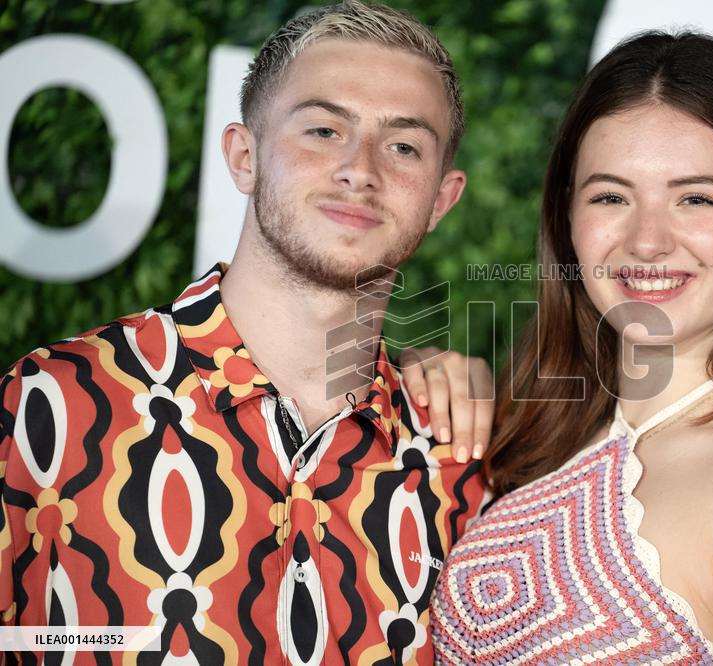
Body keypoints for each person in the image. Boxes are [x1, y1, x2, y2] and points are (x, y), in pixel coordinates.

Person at [0, 2, 492, 663]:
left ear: (441, 199)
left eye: (404, 146)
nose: (361, 169)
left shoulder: (466, 466)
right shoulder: (50, 407)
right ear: (242, 155)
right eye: (322, 130)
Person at [413, 30, 713, 664]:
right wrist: (402, 373)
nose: (648, 240)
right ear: (567, 222)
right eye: (611, 197)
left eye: (695, 198)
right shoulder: (540, 426)